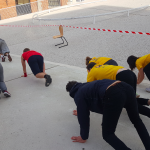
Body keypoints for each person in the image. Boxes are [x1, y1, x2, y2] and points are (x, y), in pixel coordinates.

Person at [66, 80, 150, 150]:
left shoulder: (78, 95)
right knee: (137, 121)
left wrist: (83, 136)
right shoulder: (88, 85)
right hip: (126, 87)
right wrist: (80, 111)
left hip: (113, 94)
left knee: (108, 135)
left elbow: (83, 117)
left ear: (71, 92)